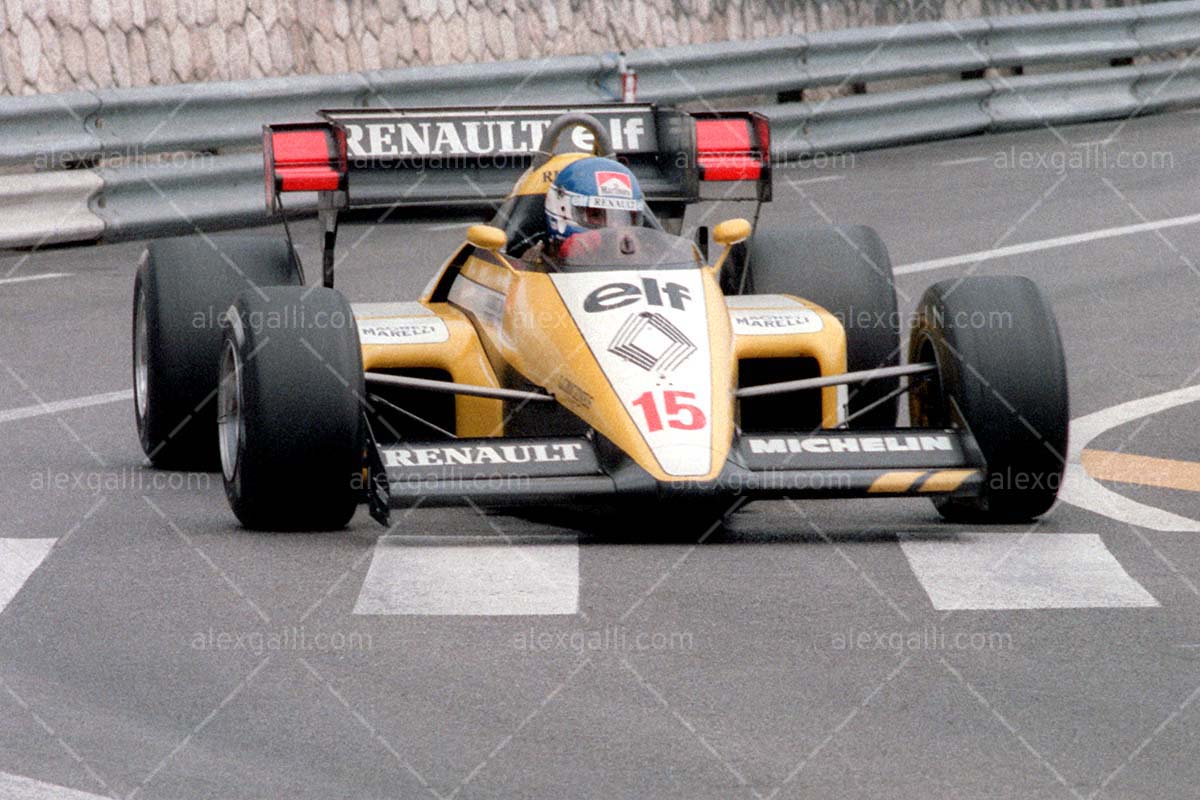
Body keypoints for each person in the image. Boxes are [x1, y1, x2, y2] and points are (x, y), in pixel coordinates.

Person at [528, 157, 646, 264]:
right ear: (562, 210)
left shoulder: (651, 261)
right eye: (595, 215)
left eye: (625, 218)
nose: (614, 227)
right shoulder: (530, 266)